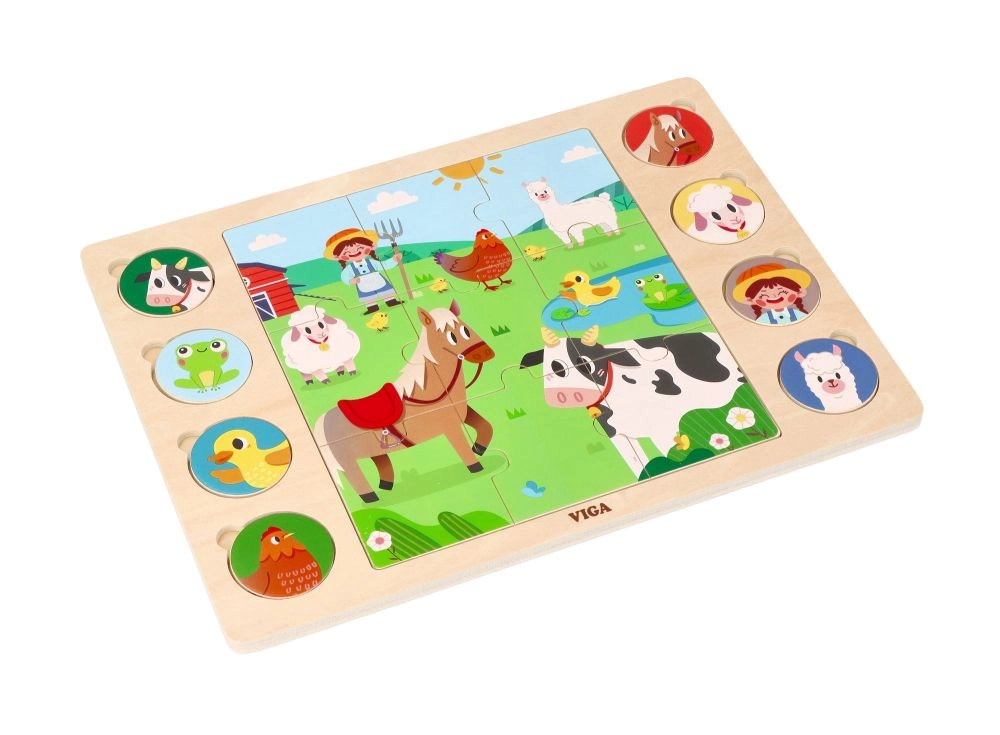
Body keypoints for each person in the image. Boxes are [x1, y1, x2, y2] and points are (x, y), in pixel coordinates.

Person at [324, 228, 404, 314]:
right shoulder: (349, 269)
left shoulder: (372, 262)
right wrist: (351, 281)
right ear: (337, 257)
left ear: (372, 246)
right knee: (368, 297)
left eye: (360, 248)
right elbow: (345, 277)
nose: (354, 252)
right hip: (362, 283)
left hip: (378, 280)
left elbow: (384, 265)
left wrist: (394, 260)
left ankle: (391, 301)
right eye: (346, 252)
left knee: (385, 291)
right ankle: (372, 307)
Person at [731, 262, 812, 326]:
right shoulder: (762, 320)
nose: (774, 296)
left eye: (783, 292)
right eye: (763, 295)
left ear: (800, 292)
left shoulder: (800, 315)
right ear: (749, 300)